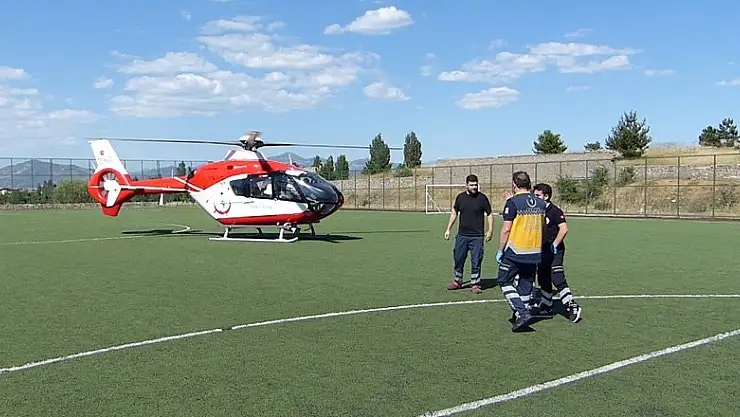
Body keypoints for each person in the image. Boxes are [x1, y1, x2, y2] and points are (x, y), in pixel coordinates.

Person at [496, 171, 546, 331]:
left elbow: (506, 230)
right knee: (525, 285)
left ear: (514, 185)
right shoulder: (541, 203)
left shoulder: (512, 202)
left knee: (504, 280)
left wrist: (500, 250)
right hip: (534, 251)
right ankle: (520, 317)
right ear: (529, 184)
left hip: (516, 251)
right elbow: (543, 227)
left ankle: (522, 312)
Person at [532, 183, 582, 323]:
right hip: (541, 250)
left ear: (546, 196)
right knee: (543, 278)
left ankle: (572, 305)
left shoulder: (554, 211)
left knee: (557, 277)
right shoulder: (535, 211)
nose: (535, 198)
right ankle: (546, 305)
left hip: (554, 250)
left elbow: (564, 229)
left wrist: (554, 244)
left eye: (538, 196)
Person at [444, 174, 493, 294]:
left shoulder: (482, 198)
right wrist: (448, 229)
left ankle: (475, 284)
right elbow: (454, 213)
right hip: (462, 235)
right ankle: (457, 281)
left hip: (477, 237)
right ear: (466, 185)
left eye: (476, 184)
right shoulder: (460, 198)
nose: (474, 187)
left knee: (476, 260)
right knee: (458, 258)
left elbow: (489, 214)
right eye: (471, 185)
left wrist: (490, 230)